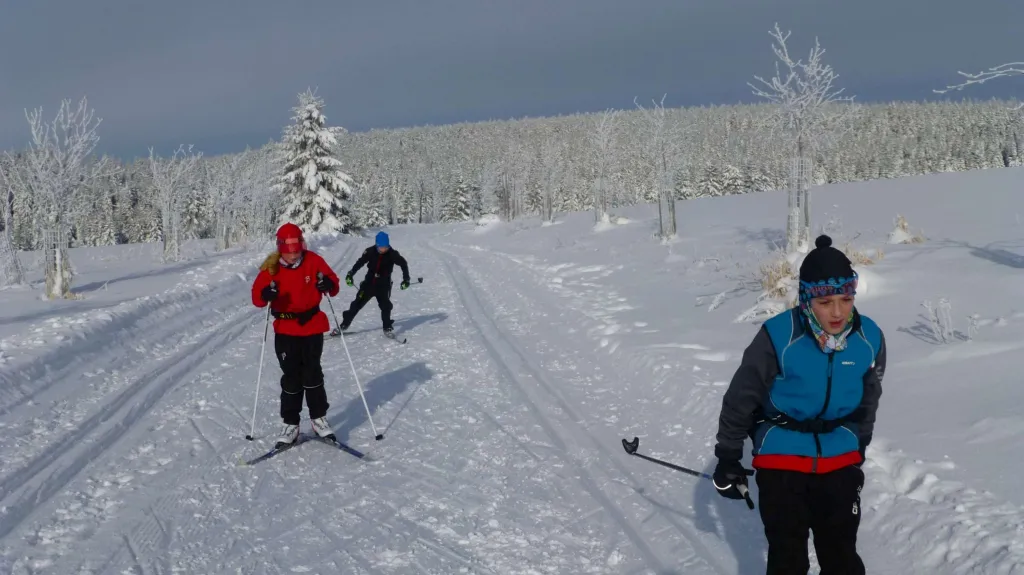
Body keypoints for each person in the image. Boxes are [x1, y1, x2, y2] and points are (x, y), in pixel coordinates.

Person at [711, 234, 886, 575]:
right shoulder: (778, 335)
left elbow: (869, 398)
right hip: (782, 455)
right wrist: (728, 455)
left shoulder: (870, 338)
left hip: (839, 456)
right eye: (825, 302)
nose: (837, 311)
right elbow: (741, 397)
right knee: (788, 557)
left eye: (845, 299)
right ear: (806, 299)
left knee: (842, 558)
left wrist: (859, 446)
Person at [251, 223, 342, 448]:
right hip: (285, 329)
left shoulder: (314, 261)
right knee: (291, 376)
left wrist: (328, 283)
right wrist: (266, 293)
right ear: (280, 249)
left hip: (311, 326)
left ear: (302, 246)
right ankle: (290, 423)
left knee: (312, 373)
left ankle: (318, 418)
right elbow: (257, 299)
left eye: (297, 250)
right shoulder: (271, 268)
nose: (293, 256)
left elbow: (334, 285)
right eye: (288, 252)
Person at [339, 231, 411, 335]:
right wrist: (351, 274)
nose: (383, 249)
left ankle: (387, 327)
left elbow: (403, 264)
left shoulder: (392, 254)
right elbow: (360, 262)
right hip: (369, 283)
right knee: (356, 304)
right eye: (381, 247)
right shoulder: (370, 251)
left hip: (383, 285)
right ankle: (344, 324)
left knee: (386, 306)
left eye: (386, 247)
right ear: (377, 245)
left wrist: (406, 279)